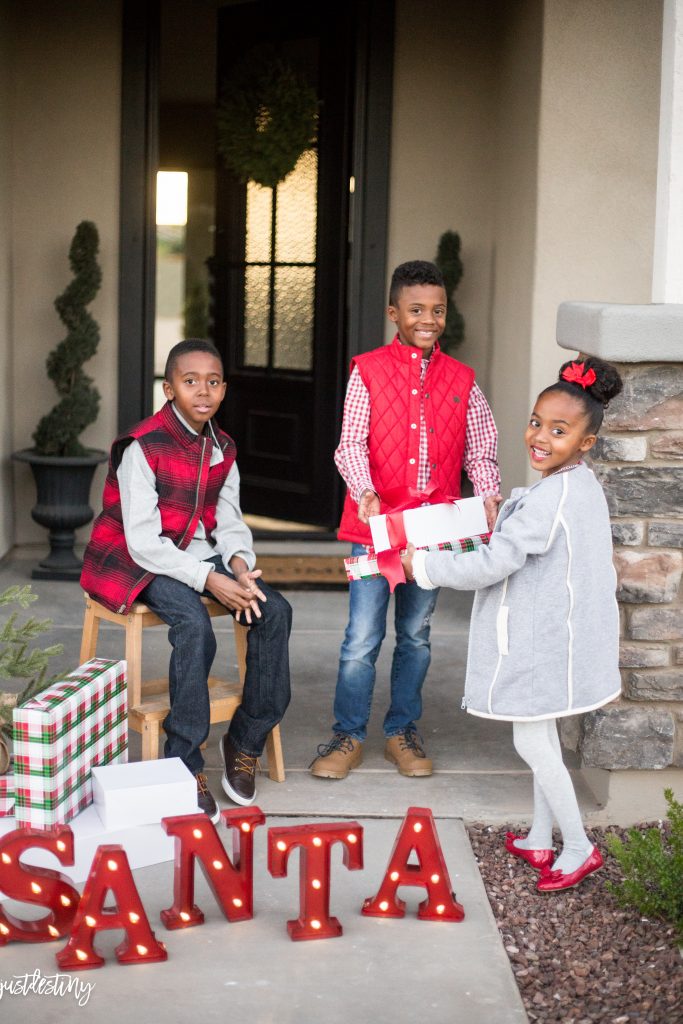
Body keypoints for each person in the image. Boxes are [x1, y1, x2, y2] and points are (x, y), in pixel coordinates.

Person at [403, 356, 623, 891]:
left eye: (559, 430)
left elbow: (493, 563)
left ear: (587, 442)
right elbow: (525, 536)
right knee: (541, 735)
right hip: (558, 635)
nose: (540, 437)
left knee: (532, 742)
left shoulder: (553, 498)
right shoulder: (574, 486)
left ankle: (577, 846)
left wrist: (425, 566)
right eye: (536, 422)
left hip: (544, 642)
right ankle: (540, 838)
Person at [81, 339, 292, 823]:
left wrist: (237, 564)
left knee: (273, 608)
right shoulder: (143, 445)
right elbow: (143, 541)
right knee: (193, 623)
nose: (203, 391)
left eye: (213, 381)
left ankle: (246, 739)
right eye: (190, 380)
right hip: (139, 558)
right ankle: (184, 763)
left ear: (224, 389)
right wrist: (208, 580)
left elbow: (230, 518)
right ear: (169, 387)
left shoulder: (223, 447)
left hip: (196, 551)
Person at [310, 260, 501, 781]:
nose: (428, 319)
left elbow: (480, 450)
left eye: (438, 310)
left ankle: (402, 731)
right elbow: (349, 443)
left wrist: (487, 497)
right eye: (416, 309)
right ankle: (348, 734)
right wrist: (365, 491)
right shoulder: (366, 371)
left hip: (433, 534)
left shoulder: (463, 380)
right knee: (362, 636)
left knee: (415, 633)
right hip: (376, 529)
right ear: (394, 312)